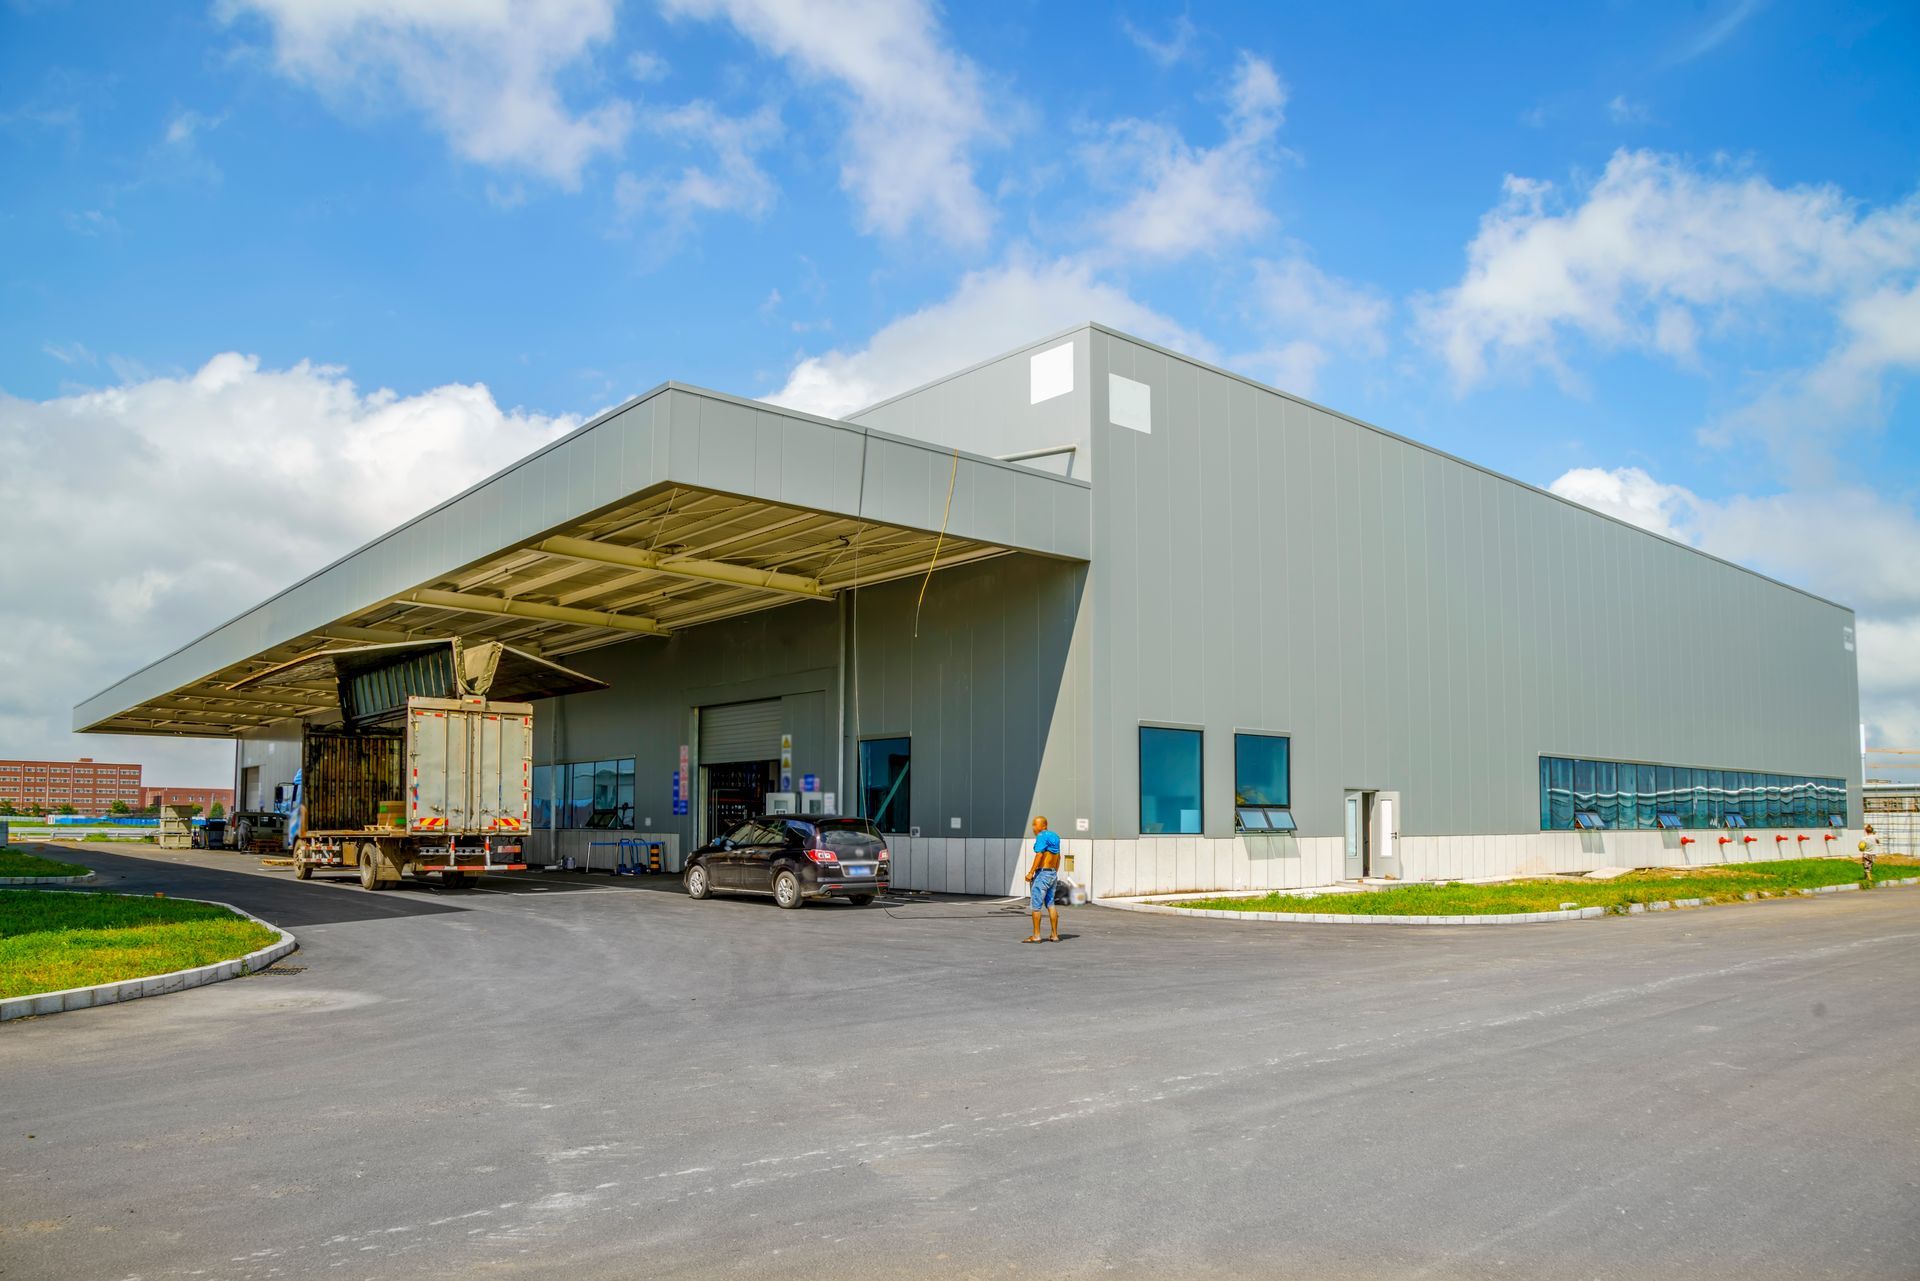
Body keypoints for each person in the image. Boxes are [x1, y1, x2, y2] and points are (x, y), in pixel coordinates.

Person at [1023, 815, 1062, 943]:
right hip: (1052, 874)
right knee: (1050, 904)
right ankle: (1054, 935)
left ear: (1044, 826)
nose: (1033, 827)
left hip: (1042, 874)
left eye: (1035, 824)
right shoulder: (1055, 837)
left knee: (1036, 906)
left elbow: (1039, 855)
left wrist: (1031, 872)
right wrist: (1054, 872)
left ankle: (1036, 935)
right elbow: (1058, 856)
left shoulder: (1041, 836)